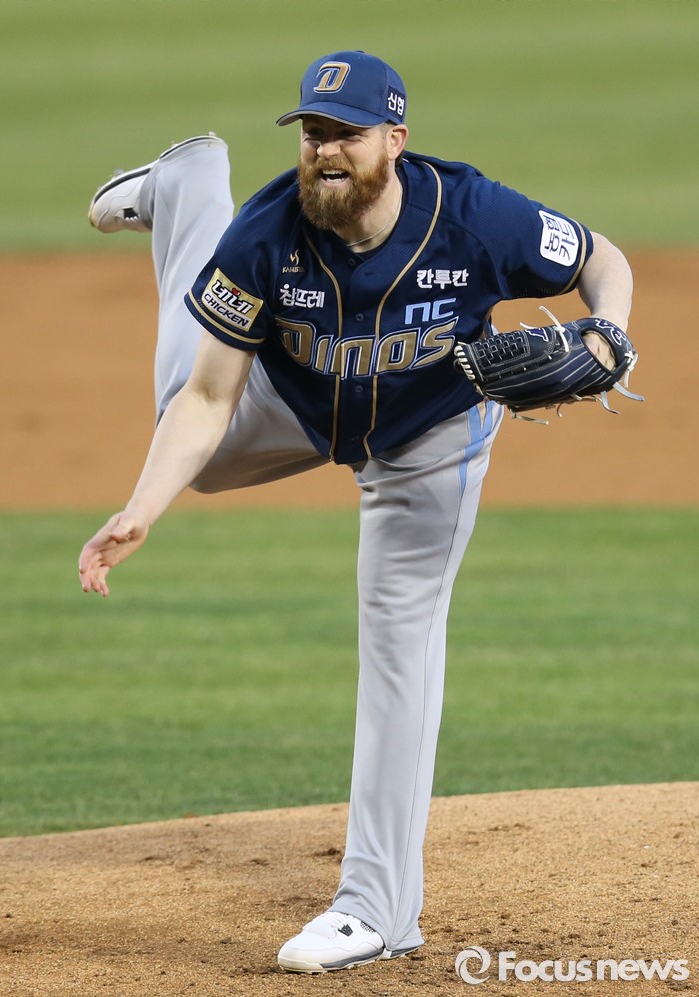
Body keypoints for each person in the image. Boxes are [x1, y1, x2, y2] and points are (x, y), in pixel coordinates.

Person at [79, 50, 633, 974]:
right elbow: (209, 399)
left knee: (400, 639)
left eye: (346, 133)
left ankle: (377, 909)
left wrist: (611, 331)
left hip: (430, 432)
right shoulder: (268, 232)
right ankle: (186, 186)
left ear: (395, 140)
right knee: (187, 413)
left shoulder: (475, 216)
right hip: (291, 402)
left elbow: (599, 258)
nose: (325, 149)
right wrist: (140, 508)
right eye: (313, 132)